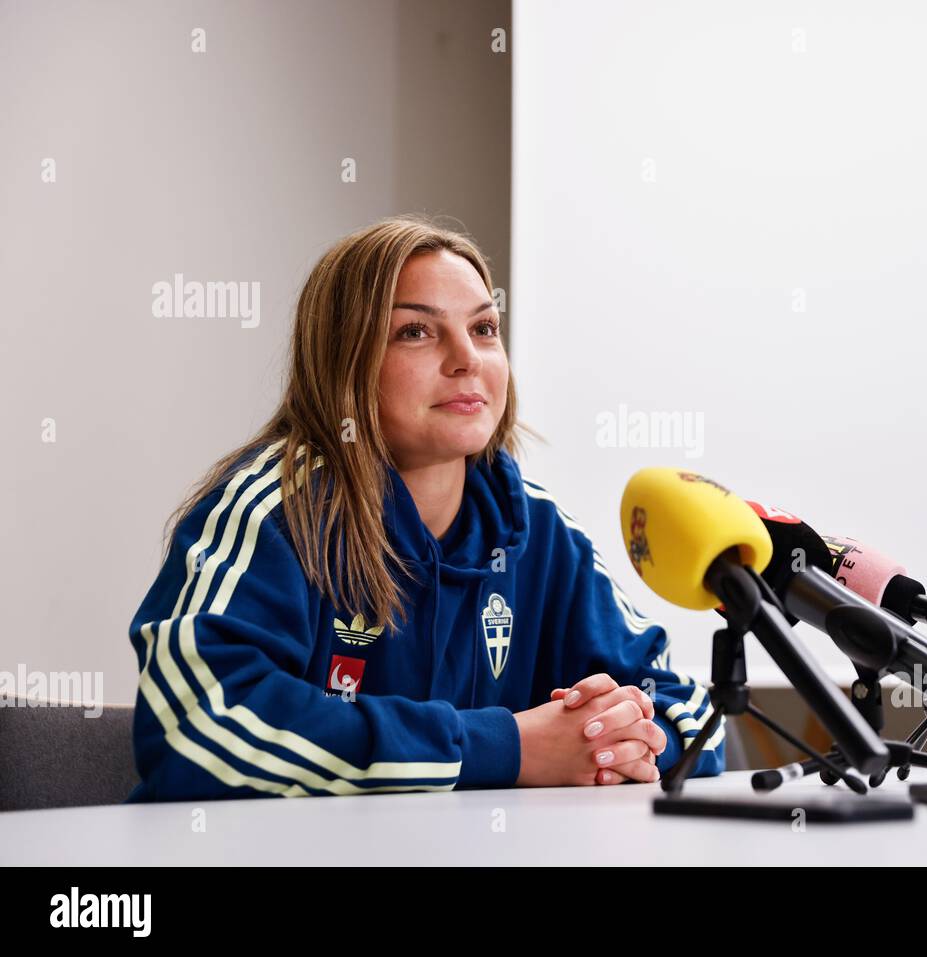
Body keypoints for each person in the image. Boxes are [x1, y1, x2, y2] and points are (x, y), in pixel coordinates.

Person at [125, 214, 724, 801]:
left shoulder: (536, 530)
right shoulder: (274, 512)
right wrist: (506, 746)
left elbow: (696, 714)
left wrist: (618, 741)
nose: (468, 359)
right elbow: (196, 725)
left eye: (485, 328)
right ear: (345, 362)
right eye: (416, 331)